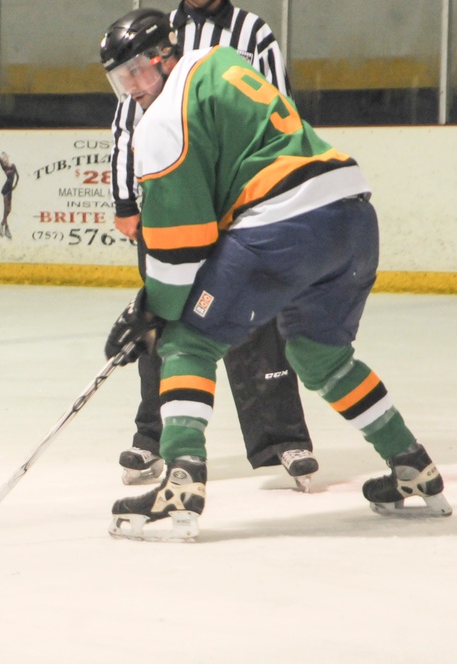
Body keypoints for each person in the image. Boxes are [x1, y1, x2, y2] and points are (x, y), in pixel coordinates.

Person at [98, 9, 451, 540]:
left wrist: (150, 309)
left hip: (284, 223)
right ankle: (413, 466)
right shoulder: (219, 62)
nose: (131, 90)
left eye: (137, 73)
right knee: (320, 355)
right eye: (119, 80)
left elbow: (180, 248)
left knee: (187, 341)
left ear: (164, 56)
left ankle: (179, 489)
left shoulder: (163, 120)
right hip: (352, 218)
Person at [108, 0, 318, 491]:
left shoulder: (252, 31)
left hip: (238, 204)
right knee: (162, 316)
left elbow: (277, 109)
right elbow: (127, 119)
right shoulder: (154, 31)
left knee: (257, 319)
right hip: (171, 197)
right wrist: (124, 197)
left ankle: (282, 436)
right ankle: (154, 436)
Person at [0, 149, 18, 239]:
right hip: (5, 189)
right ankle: (6, 229)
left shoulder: (13, 166)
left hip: (10, 189)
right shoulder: (4, 167)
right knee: (6, 209)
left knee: (9, 210)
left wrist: (15, 186)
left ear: (7, 157)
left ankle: (1, 226)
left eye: (5, 157)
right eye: (2, 158)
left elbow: (18, 176)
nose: (4, 159)